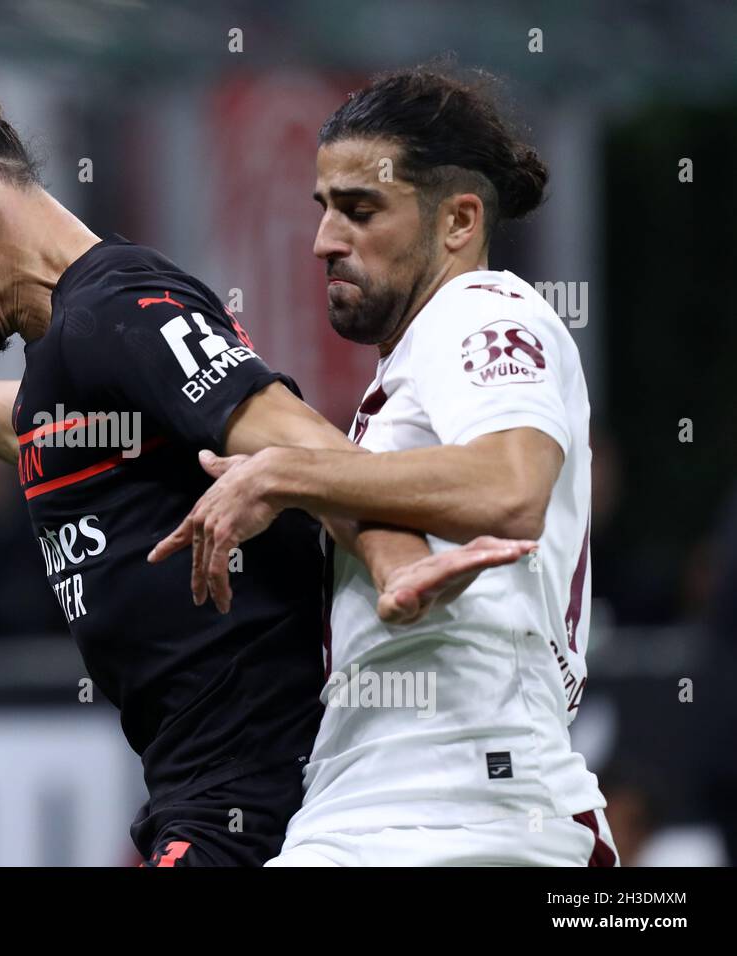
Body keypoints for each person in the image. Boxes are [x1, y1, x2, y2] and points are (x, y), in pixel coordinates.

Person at [0, 42, 527, 866]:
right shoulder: (75, 342)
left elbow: (296, 441)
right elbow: (48, 429)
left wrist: (395, 560)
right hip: (201, 797)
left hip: (257, 798)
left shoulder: (118, 310)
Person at [150, 67, 614, 866]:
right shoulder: (412, 371)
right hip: (386, 803)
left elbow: (510, 488)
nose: (326, 240)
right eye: (324, 209)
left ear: (460, 220)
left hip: (466, 807)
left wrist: (283, 474)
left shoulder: (483, 313)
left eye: (360, 210)